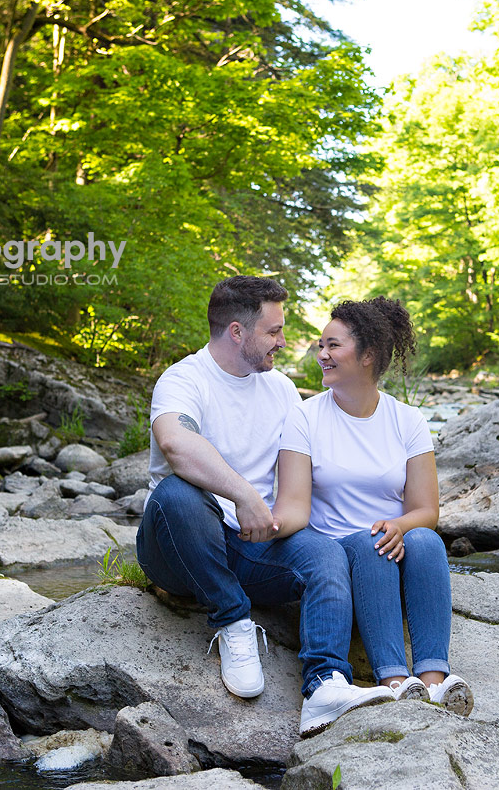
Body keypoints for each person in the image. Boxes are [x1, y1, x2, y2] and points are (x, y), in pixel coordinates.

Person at [135, 275, 393, 738]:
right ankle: (232, 619)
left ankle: (324, 686)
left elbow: (308, 463)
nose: (284, 341)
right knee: (176, 494)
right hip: (180, 546)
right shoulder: (183, 380)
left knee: (325, 554)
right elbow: (176, 443)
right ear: (237, 332)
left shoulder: (279, 389)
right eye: (274, 331)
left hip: (254, 543)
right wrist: (244, 494)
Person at [273, 296, 473, 715]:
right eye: (320, 345)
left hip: (393, 542)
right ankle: (394, 679)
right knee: (371, 543)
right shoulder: (304, 418)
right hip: (337, 548)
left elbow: (427, 511)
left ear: (368, 356)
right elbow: (295, 506)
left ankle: (435, 681)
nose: (321, 355)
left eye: (333, 346)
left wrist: (401, 525)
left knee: (427, 542)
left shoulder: (408, 421)